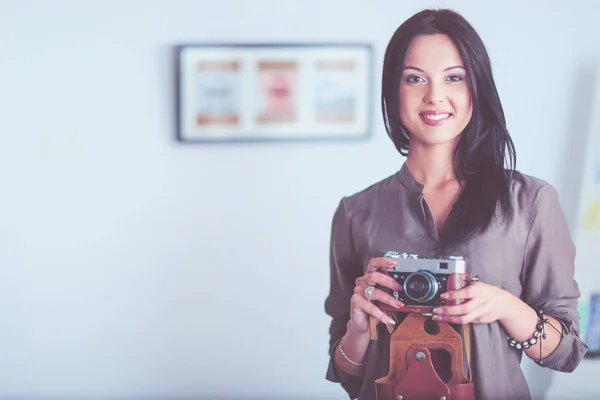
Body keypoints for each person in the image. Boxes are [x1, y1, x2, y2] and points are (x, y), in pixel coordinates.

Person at [324, 8, 588, 400]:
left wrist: (504, 306)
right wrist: (359, 329)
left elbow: (566, 353)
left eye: (454, 77)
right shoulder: (355, 212)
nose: (434, 96)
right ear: (391, 89)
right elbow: (346, 373)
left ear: (475, 87)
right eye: (415, 78)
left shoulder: (530, 202)